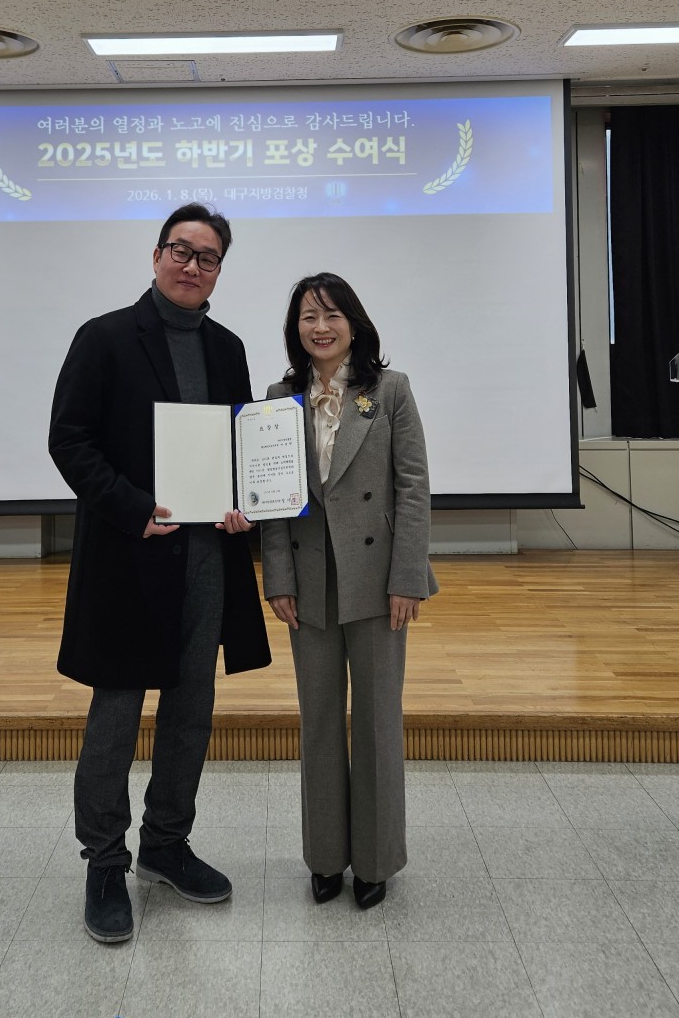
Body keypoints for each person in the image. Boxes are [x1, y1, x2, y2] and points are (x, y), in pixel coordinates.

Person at [48, 204, 271, 944]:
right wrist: (133, 507)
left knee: (190, 709)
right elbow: (69, 441)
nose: (192, 265)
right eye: (182, 250)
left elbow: (241, 447)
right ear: (156, 255)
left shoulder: (228, 348)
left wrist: (245, 502)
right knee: (116, 712)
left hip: (206, 559)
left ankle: (166, 845)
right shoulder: (105, 337)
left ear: (219, 271)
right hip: (128, 555)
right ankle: (104, 861)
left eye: (208, 257)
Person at [260, 272, 436, 909]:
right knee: (318, 721)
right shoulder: (279, 399)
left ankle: (377, 861)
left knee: (378, 720)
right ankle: (326, 857)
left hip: (378, 580)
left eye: (331, 314)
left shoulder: (390, 391)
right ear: (296, 329)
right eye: (308, 316)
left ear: (354, 325)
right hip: (308, 580)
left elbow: (413, 488)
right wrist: (277, 578)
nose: (321, 327)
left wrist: (407, 577)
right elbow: (273, 501)